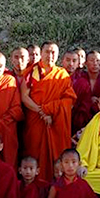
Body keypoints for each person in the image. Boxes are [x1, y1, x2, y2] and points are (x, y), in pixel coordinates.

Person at [21, 42, 77, 181]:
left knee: (57, 157)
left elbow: (69, 101)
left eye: (53, 52)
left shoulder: (62, 74)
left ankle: (58, 187)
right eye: (47, 52)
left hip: (56, 123)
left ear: (57, 55)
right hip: (36, 120)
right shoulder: (31, 71)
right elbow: (24, 96)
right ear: (41, 53)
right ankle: (36, 188)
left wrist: (50, 109)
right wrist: (42, 112)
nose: (50, 55)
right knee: (35, 153)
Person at [73, 51, 100, 127]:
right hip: (81, 118)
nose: (95, 63)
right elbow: (74, 101)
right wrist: (88, 100)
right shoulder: (79, 80)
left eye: (98, 61)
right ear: (85, 63)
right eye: (92, 60)